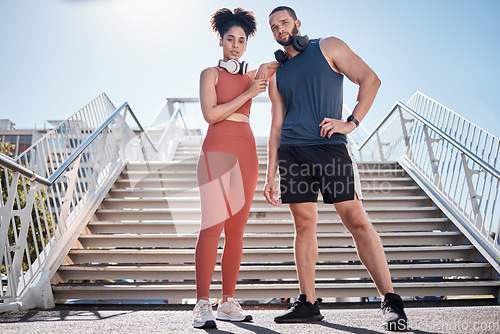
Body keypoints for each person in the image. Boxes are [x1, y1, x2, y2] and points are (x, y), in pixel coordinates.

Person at [263, 6, 408, 331]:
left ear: (297, 24)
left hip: (329, 148)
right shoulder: (278, 75)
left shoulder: (328, 46)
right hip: (292, 153)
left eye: (284, 22)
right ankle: (308, 302)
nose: (279, 29)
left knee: (355, 218)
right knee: (303, 226)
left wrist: (351, 122)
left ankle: (391, 301)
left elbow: (371, 79)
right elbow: (275, 126)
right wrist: (270, 173)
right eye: (273, 26)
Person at [193, 7, 279, 329]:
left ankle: (227, 301)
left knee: (236, 232)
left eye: (241, 41)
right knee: (212, 226)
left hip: (247, 152)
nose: (236, 45)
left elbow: (288, 55)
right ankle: (202, 303)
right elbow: (211, 115)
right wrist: (247, 93)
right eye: (230, 39)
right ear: (221, 41)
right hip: (217, 147)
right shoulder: (210, 74)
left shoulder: (252, 75)